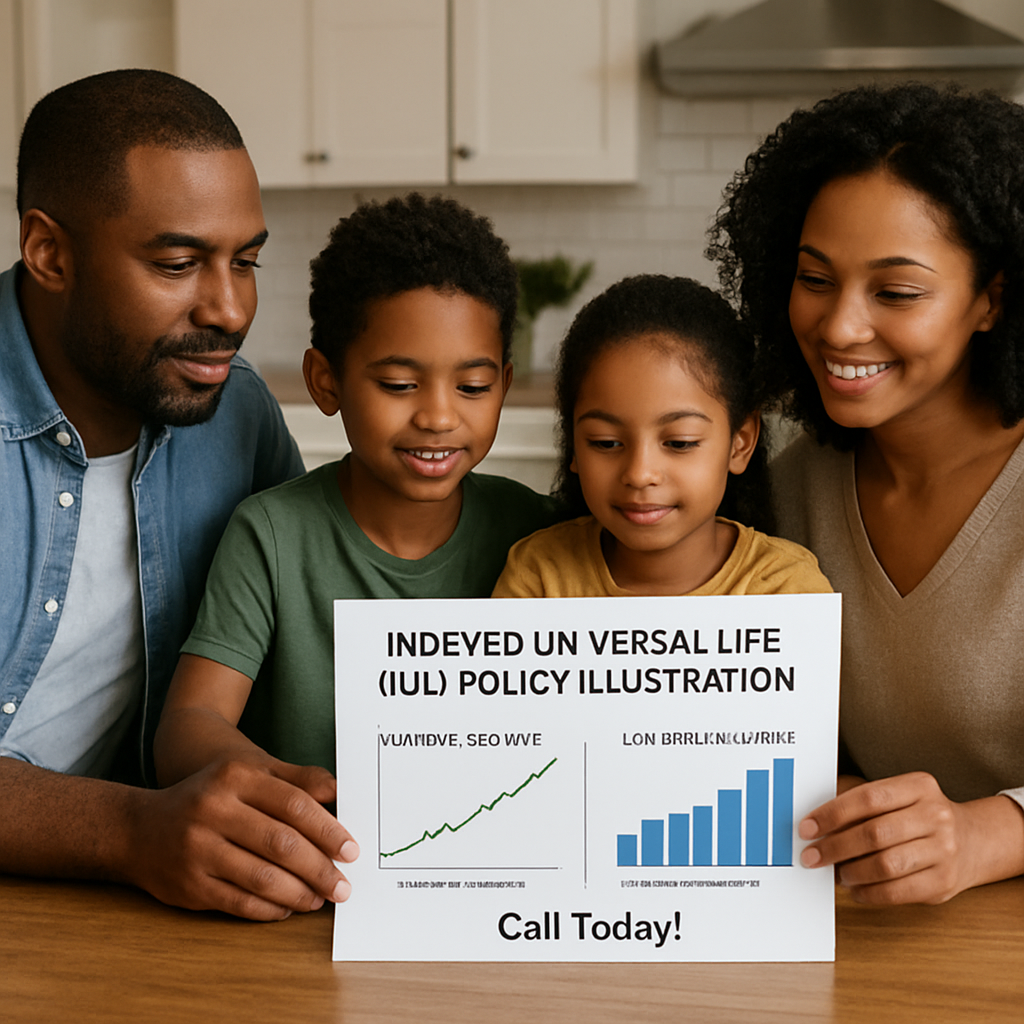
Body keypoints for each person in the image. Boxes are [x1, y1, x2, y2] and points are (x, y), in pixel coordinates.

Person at [0, 69, 358, 922]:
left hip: (127, 914)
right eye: (177, 262)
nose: (231, 310)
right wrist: (131, 831)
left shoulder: (237, 415)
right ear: (50, 252)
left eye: (246, 261)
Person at [708, 82, 1024, 904]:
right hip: (866, 939)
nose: (840, 327)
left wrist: (988, 832)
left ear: (991, 298)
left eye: (896, 291)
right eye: (816, 279)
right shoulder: (785, 486)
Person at [153, 195, 560, 810]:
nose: (440, 416)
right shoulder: (271, 534)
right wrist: (298, 792)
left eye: (473, 386)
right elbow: (187, 727)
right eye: (399, 385)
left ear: (502, 384)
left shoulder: (537, 533)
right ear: (326, 382)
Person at [492, 274, 831, 598]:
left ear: (739, 442)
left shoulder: (785, 589)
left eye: (680, 443)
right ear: (574, 447)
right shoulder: (539, 577)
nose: (640, 474)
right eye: (606, 443)